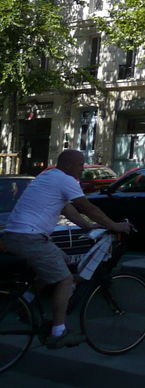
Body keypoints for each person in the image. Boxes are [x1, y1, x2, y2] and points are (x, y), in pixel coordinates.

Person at [0, 149, 131, 349]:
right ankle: (59, 333)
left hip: (16, 236)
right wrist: (114, 225)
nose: (82, 169)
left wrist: (87, 226)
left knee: (64, 261)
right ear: (68, 165)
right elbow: (88, 208)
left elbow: (66, 208)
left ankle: (24, 302)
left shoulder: (48, 176)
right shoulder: (65, 180)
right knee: (65, 279)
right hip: (30, 237)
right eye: (80, 165)